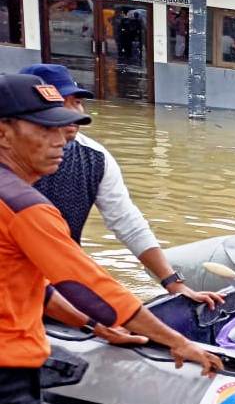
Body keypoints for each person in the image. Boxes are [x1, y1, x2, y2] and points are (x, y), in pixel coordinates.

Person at [0, 73, 222, 404]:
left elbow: (29, 286)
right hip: (6, 372)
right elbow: (89, 285)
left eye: (64, 126)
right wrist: (177, 340)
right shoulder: (24, 205)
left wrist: (92, 326)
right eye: (45, 129)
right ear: (4, 131)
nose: (62, 139)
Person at [19, 64, 222, 308]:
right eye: (63, 102)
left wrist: (173, 282)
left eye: (77, 102)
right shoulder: (10, 167)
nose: (74, 113)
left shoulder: (95, 158)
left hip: (61, 274)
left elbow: (127, 222)